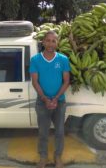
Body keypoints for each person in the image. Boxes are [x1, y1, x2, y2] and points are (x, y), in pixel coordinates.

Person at [29, 30, 70, 168]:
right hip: (42, 102)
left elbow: (66, 81)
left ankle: (58, 156)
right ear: (43, 42)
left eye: (54, 41)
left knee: (59, 131)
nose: (51, 43)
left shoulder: (63, 59)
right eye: (48, 40)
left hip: (59, 101)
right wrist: (45, 99)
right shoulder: (35, 60)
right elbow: (35, 82)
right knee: (43, 132)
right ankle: (43, 156)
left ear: (57, 43)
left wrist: (56, 98)